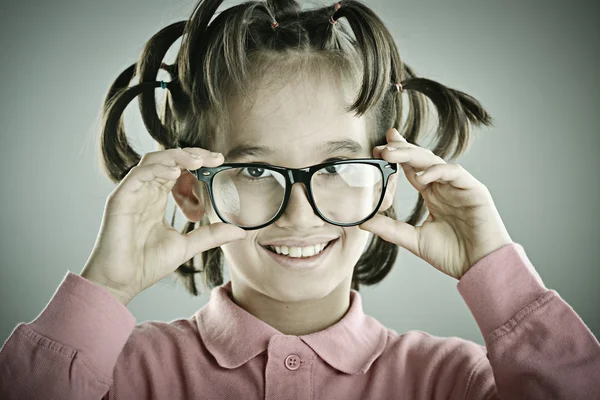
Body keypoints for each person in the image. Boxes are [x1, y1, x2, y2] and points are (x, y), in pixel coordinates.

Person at [1, 0, 599, 398]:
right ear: (191, 190)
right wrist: (104, 288)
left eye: (338, 167)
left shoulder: (454, 381)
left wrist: (499, 275)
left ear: (388, 181)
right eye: (257, 170)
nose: (299, 212)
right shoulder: (117, 376)